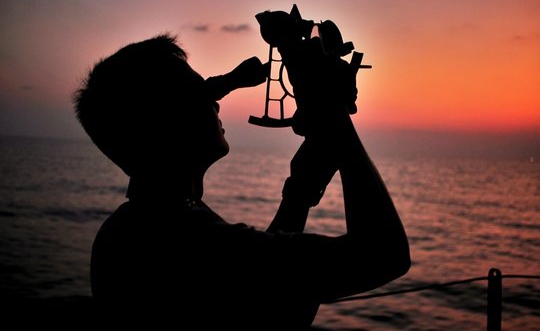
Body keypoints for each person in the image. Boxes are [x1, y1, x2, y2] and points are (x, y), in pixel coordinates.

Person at [73, 33, 410, 330]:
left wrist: (299, 195)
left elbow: (276, 307)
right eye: (200, 94)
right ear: (163, 124)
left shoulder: (138, 226)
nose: (216, 102)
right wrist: (333, 116)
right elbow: (383, 255)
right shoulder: (185, 238)